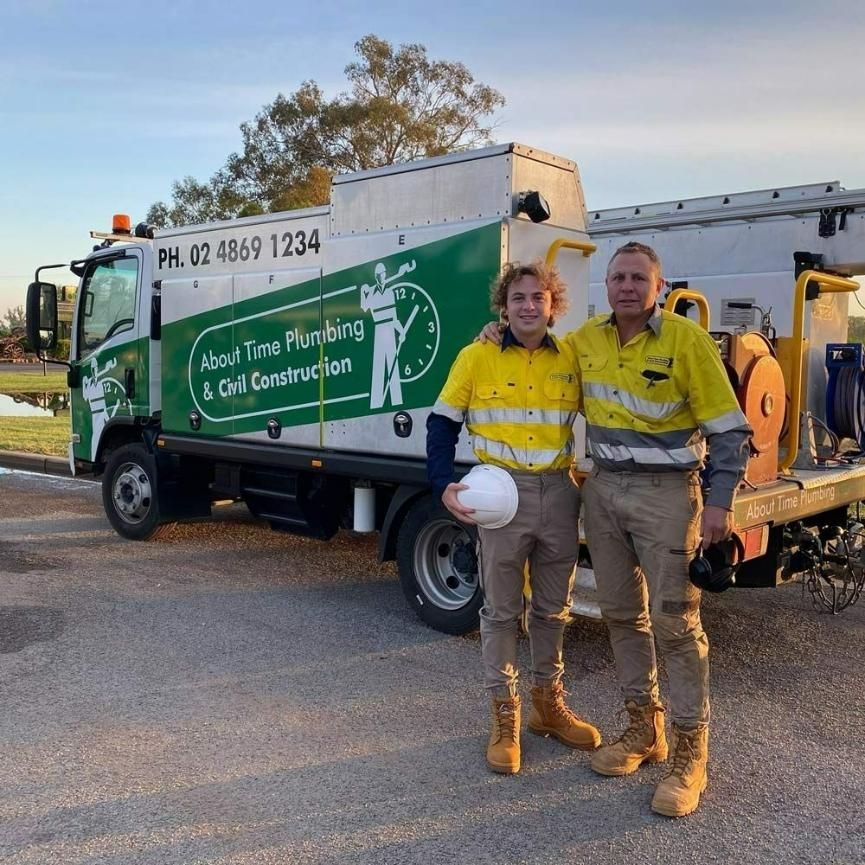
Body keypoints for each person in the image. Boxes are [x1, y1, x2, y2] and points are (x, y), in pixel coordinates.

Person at [479, 241, 751, 816]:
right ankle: (642, 730)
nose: (626, 286)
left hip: (667, 498)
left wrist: (721, 506)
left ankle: (688, 755)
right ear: (606, 286)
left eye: (637, 278)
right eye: (617, 278)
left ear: (659, 285)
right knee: (624, 615)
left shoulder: (687, 341)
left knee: (677, 624)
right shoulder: (587, 342)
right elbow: (536, 347)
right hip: (601, 492)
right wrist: (497, 332)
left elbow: (729, 431)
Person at [427, 261, 601, 775]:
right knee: (501, 612)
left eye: (539, 297)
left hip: (560, 491)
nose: (529, 306)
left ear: (554, 305)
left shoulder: (572, 356)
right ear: (503, 306)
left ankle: (549, 706)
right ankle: (505, 717)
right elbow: (441, 423)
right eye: (519, 297)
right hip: (502, 495)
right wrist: (442, 485)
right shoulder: (476, 355)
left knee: (554, 609)